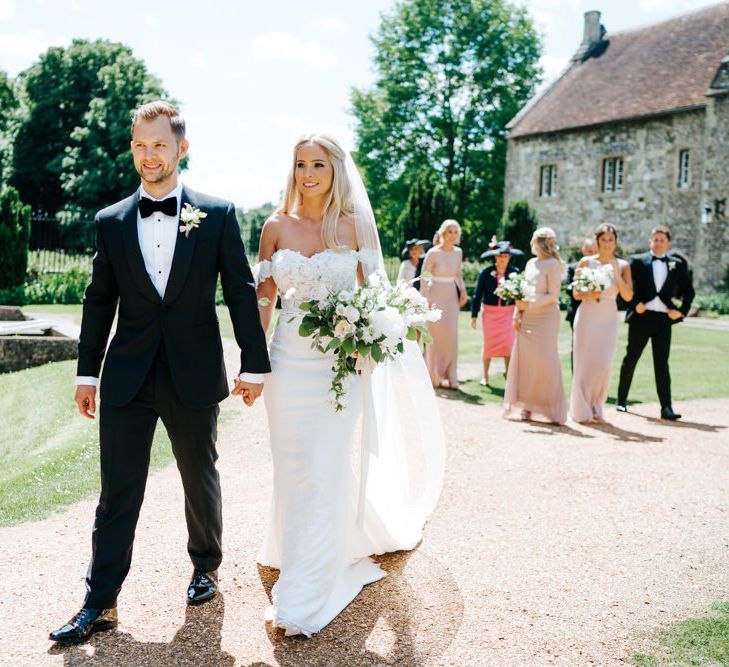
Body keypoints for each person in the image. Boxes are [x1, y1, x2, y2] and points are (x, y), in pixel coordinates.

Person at [50, 101, 271, 644]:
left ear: (181, 150)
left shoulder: (216, 215)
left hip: (194, 372)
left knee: (200, 478)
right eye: (141, 146)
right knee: (117, 491)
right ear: (133, 149)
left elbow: (240, 293)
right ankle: (99, 601)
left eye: (160, 146)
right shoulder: (111, 221)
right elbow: (99, 301)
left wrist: (255, 362)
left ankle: (205, 566)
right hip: (127, 375)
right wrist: (86, 375)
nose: (150, 156)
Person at [254, 133, 445, 637]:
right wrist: (253, 363)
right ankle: (302, 547)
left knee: (325, 461)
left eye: (318, 163)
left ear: (336, 169)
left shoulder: (354, 225)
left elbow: (377, 298)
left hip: (340, 368)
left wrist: (369, 336)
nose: (308, 173)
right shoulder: (275, 226)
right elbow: (265, 299)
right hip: (288, 364)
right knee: (295, 464)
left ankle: (304, 591)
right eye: (300, 164)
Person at [616, 225, 695, 420]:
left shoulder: (677, 264)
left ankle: (666, 408)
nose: (658, 243)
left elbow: (688, 291)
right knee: (631, 358)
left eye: (662, 240)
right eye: (655, 239)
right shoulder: (637, 261)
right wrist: (635, 305)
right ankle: (621, 401)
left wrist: (681, 312)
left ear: (668, 243)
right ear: (650, 241)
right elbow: (624, 288)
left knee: (662, 364)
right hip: (641, 317)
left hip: (664, 320)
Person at [570, 224, 633, 424]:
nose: (607, 244)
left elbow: (628, 295)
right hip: (588, 316)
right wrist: (591, 293)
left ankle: (597, 405)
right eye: (603, 240)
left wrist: (615, 272)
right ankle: (581, 408)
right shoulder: (586, 262)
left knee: (604, 364)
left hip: (608, 316)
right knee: (584, 362)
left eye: (610, 240)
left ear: (615, 242)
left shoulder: (623, 265)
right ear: (597, 241)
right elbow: (576, 293)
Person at [504, 227, 567, 424]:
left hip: (546, 317)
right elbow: (522, 291)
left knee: (546, 361)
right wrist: (517, 313)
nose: (531, 243)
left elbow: (553, 295)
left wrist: (530, 304)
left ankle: (552, 410)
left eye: (534, 240)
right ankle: (526, 406)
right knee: (527, 362)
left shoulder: (553, 264)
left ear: (540, 242)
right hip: (527, 317)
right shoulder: (530, 263)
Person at [420, 219, 468, 389]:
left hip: (451, 298)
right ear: (443, 233)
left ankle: (451, 375)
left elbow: (458, 274)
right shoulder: (432, 253)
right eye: (450, 231)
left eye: (456, 232)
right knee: (435, 338)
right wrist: (424, 300)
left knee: (451, 337)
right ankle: (433, 375)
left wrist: (462, 290)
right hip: (434, 297)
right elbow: (424, 277)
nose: (453, 235)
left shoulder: (458, 252)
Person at [470, 239, 523, 386]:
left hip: (508, 313)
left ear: (509, 257)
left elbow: (520, 294)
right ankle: (485, 376)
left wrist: (520, 313)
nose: (502, 259)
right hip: (490, 313)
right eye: (500, 256)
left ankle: (509, 376)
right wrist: (474, 315)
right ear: (495, 257)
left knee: (508, 344)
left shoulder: (515, 272)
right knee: (489, 345)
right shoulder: (486, 273)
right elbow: (477, 294)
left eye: (505, 256)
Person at [565, 238, 598, 370]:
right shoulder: (573, 267)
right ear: (583, 250)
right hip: (577, 312)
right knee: (577, 347)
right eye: (590, 251)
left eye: (595, 251)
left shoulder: (600, 267)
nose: (592, 254)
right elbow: (569, 288)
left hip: (597, 313)